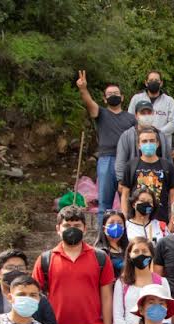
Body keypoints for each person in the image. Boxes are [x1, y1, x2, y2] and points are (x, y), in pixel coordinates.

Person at [32, 206, 115, 324]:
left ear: (85, 228)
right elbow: (35, 297)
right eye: (67, 225)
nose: (72, 229)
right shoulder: (45, 260)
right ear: (58, 229)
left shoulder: (100, 257)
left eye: (77, 225)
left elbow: (107, 296)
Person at [76, 72, 136, 226]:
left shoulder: (131, 118)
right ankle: (102, 237)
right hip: (107, 159)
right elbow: (89, 103)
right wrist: (83, 89)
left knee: (130, 200)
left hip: (128, 161)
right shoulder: (101, 113)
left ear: (122, 97)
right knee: (105, 202)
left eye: (116, 93)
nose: (113, 96)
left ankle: (129, 234)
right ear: (104, 99)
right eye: (109, 94)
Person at [112, 237, 170, 324]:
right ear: (129, 255)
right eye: (136, 251)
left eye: (144, 251)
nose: (140, 255)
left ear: (151, 254)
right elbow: (118, 315)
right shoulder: (122, 283)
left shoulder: (162, 282)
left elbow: (167, 313)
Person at [119, 128, 174, 224]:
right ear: (139, 145)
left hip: (160, 221)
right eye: (144, 141)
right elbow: (125, 194)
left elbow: (173, 195)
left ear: (157, 143)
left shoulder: (167, 166)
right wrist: (125, 218)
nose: (148, 144)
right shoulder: (131, 165)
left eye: (152, 141)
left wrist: (173, 220)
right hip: (135, 221)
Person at [114, 101, 174, 184]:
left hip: (159, 181)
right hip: (135, 182)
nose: (146, 115)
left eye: (149, 112)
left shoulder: (161, 136)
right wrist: (120, 180)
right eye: (142, 113)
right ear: (136, 115)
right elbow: (121, 160)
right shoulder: (127, 136)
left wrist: (171, 180)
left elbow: (168, 159)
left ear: (153, 114)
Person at [128, 70, 174, 137]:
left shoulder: (169, 101)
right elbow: (130, 120)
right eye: (151, 80)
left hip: (162, 143)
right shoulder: (136, 99)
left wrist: (158, 133)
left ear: (161, 83)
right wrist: (141, 133)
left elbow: (173, 123)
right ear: (146, 83)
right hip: (140, 141)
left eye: (156, 80)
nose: (153, 82)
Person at [95, 210, 128, 274]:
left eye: (119, 223)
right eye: (111, 223)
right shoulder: (99, 252)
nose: (116, 226)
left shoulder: (129, 248)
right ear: (104, 228)